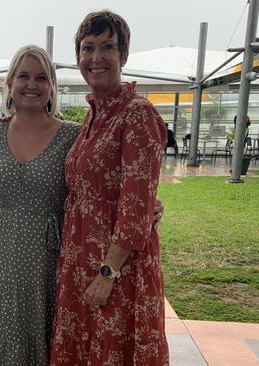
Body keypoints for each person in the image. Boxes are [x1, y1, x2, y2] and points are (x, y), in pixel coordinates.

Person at [50, 11, 170, 365]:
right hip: (80, 259)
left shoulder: (136, 113)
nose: (96, 57)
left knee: (111, 350)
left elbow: (135, 208)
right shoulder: (94, 114)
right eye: (88, 48)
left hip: (118, 269)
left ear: (124, 56)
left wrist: (107, 273)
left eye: (108, 47)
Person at [0, 45, 81, 365]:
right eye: (23, 76)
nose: (31, 84)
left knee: (41, 329)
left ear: (51, 87)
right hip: (3, 247)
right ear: (10, 82)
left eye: (40, 77)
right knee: (1, 330)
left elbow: (93, 186)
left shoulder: (72, 135)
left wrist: (147, 203)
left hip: (48, 252)